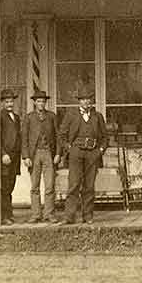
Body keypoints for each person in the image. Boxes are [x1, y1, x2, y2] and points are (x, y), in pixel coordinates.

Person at [58, 89, 108, 225]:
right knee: (74, 184)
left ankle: (88, 216)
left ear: (91, 101)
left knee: (89, 186)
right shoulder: (71, 115)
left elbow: (105, 137)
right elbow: (61, 135)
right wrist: (69, 149)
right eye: (83, 99)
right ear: (79, 101)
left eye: (88, 99)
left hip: (93, 154)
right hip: (76, 153)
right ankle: (69, 216)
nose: (86, 102)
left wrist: (101, 150)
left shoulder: (98, 116)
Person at [21, 89, 61, 223]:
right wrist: (26, 156)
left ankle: (49, 213)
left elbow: (58, 136)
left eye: (43, 101)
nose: (41, 104)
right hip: (34, 154)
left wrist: (58, 154)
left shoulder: (52, 116)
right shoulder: (29, 117)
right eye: (38, 101)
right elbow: (24, 138)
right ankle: (36, 214)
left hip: (49, 153)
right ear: (34, 103)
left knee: (50, 185)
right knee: (35, 186)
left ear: (45, 103)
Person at [0, 89, 22, 224]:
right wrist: (3, 154)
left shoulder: (16, 117)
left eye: (11, 101)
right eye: (7, 101)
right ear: (2, 103)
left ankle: (9, 214)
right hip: (4, 158)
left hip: (14, 158)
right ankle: (3, 216)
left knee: (10, 186)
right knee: (4, 187)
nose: (10, 104)